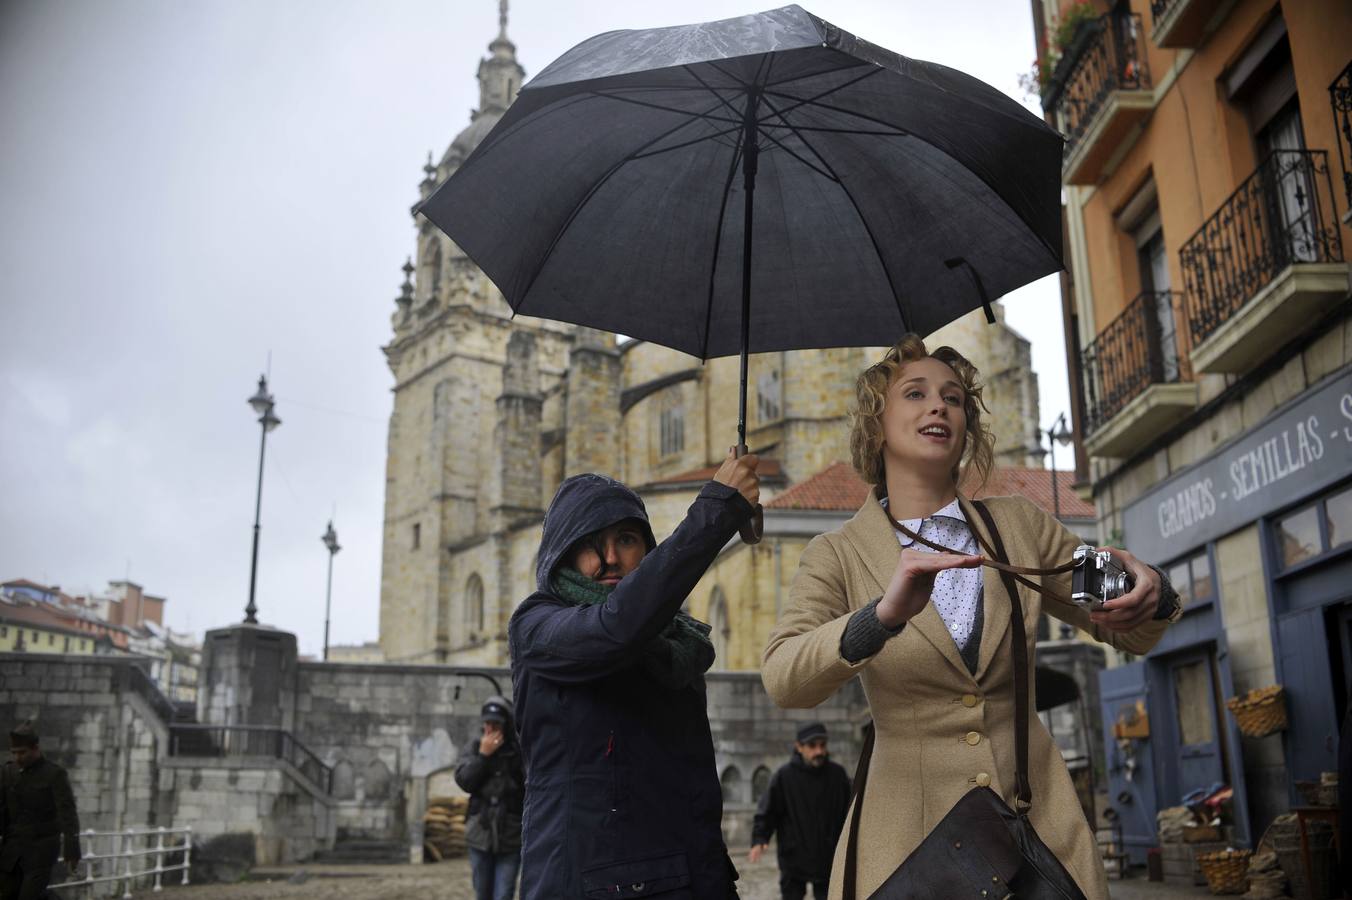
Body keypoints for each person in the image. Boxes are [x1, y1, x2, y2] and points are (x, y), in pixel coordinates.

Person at [761, 336, 1182, 900]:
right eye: (915, 393)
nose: (939, 405)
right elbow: (784, 676)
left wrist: (1150, 588)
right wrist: (881, 617)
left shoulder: (1019, 525)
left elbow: (1127, 621)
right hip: (906, 848)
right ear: (876, 424)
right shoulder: (836, 552)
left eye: (953, 398)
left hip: (1035, 834)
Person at [508, 449, 760, 899]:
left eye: (625, 539)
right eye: (588, 542)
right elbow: (615, 630)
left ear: (647, 551)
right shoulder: (539, 624)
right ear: (561, 553)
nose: (608, 558)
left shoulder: (673, 642)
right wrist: (717, 510)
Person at [750, 722, 852, 900]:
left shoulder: (838, 775)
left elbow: (849, 811)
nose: (818, 751)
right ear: (799, 747)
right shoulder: (784, 776)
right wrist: (760, 837)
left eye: (822, 745)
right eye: (812, 746)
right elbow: (768, 809)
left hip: (828, 858)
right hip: (794, 858)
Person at [0, 721, 81, 900]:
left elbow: (67, 813)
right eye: (14, 753)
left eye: (22, 752)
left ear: (36, 749)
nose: (17, 758)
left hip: (41, 850)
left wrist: (72, 849)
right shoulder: (7, 772)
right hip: (11, 852)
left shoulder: (54, 774)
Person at [455, 696, 525, 900]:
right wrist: (483, 757)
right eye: (487, 723)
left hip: (511, 834)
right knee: (482, 892)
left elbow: (528, 783)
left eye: (496, 724)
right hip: (480, 833)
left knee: (504, 894)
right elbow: (464, 781)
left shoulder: (518, 750)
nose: (490, 728)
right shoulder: (475, 747)